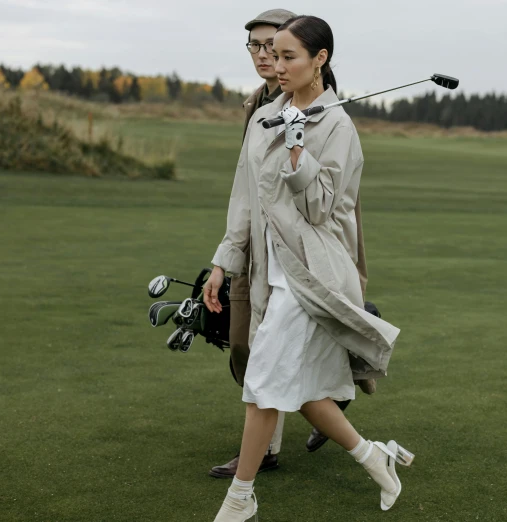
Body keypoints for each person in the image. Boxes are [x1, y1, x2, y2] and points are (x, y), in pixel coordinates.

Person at [204, 15, 412, 521]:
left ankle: (240, 499)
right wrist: (222, 261)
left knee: (262, 385)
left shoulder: (336, 125)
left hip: (311, 276)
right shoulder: (262, 118)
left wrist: (299, 147)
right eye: (272, 54)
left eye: (288, 55)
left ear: (320, 59)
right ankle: (374, 456)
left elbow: (321, 207)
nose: (276, 65)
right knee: (305, 393)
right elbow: (246, 199)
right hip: (268, 275)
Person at [209, 7, 296, 480]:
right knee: (242, 347)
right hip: (251, 246)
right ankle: (331, 401)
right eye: (256, 47)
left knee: (267, 351)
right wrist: (225, 258)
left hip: (289, 254)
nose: (264, 56)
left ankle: (263, 451)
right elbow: (245, 188)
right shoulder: (256, 104)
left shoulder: (312, 105)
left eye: (275, 47)